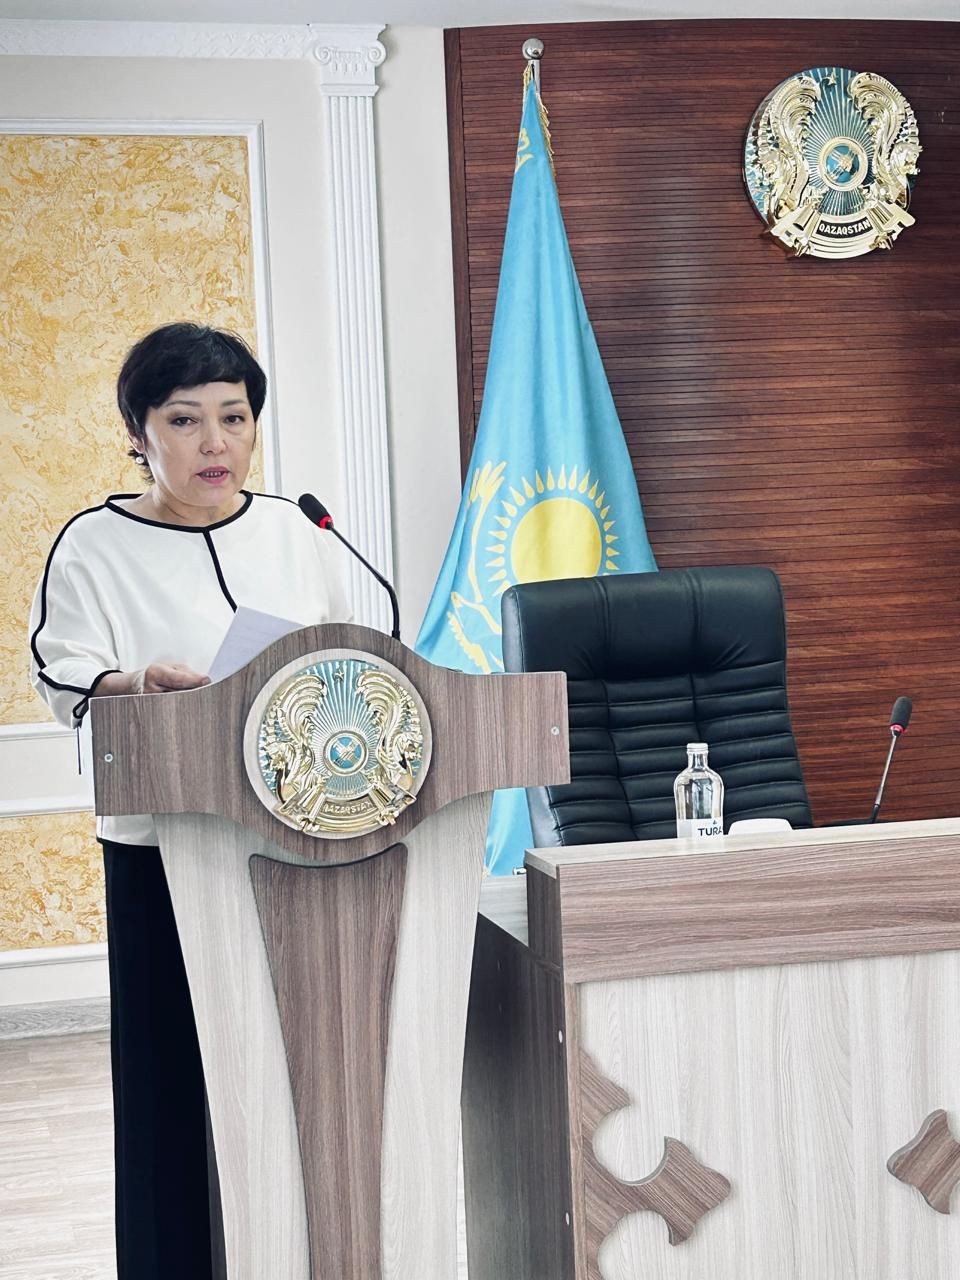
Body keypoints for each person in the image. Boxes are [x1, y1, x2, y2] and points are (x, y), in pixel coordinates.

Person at [28, 322, 351, 1279]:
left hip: (299, 845)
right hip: (163, 847)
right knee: (171, 1085)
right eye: (185, 419)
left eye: (234, 418)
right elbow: (62, 674)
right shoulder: (95, 543)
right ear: (139, 432)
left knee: (293, 1083)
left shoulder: (296, 531)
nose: (216, 443)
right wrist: (135, 685)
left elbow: (350, 654)